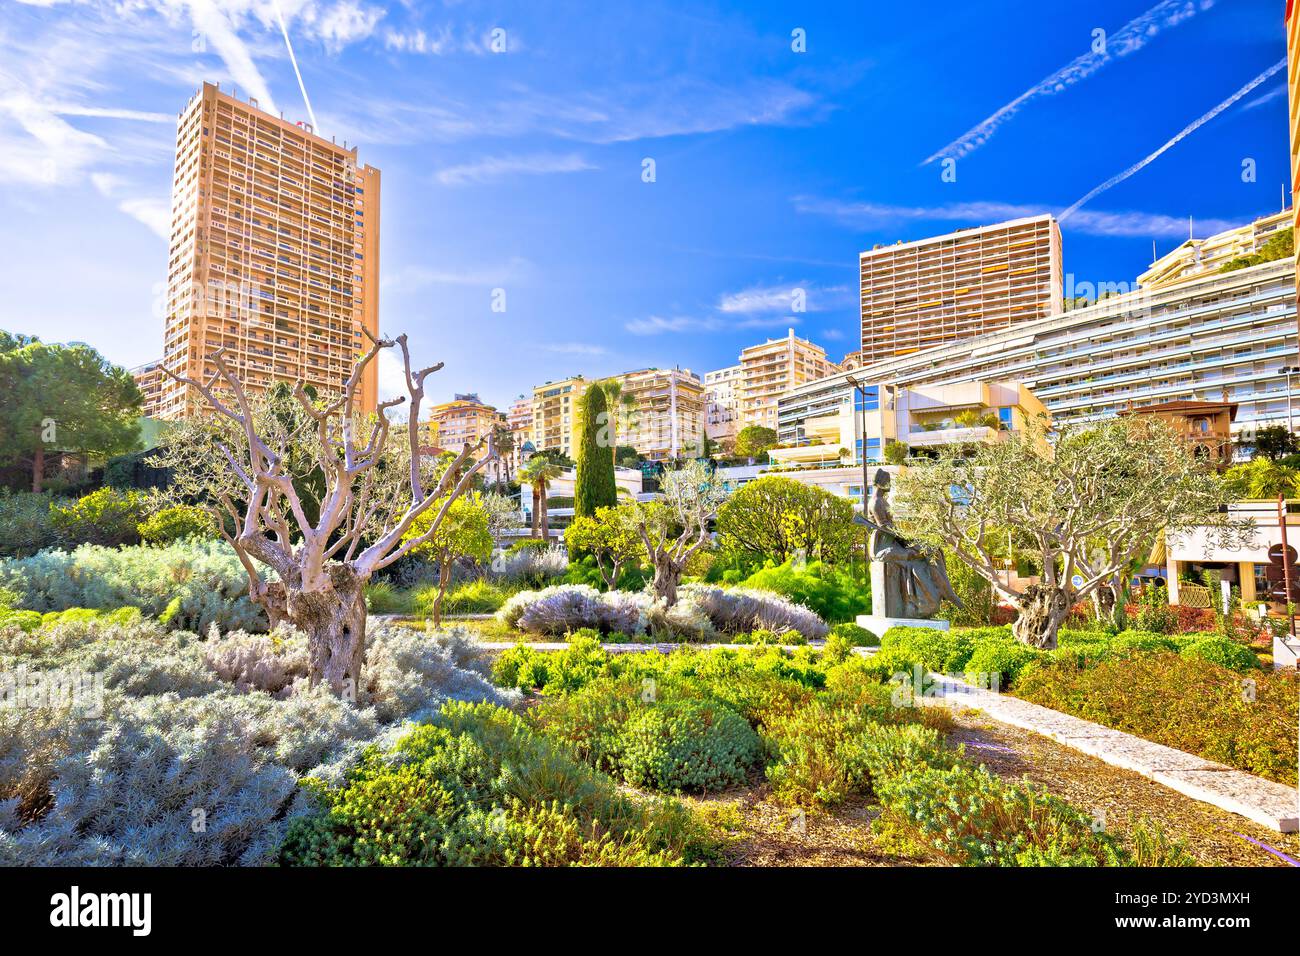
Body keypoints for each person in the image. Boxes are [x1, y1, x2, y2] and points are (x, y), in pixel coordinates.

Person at [854, 468, 959, 618]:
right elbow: (885, 527)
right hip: (884, 546)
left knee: (932, 550)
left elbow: (891, 528)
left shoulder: (883, 501)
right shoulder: (876, 502)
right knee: (916, 557)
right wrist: (904, 538)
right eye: (887, 481)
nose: (890, 484)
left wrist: (907, 537)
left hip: (895, 541)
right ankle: (925, 602)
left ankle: (943, 588)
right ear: (881, 483)